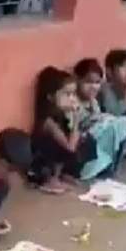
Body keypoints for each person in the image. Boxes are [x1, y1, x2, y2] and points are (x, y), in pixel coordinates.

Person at [72, 58, 126, 180]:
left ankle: (110, 163)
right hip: (82, 144)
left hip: (97, 138)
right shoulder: (73, 102)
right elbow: (78, 127)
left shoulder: (93, 101)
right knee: (112, 127)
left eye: (97, 83)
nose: (93, 87)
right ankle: (98, 167)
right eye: (88, 82)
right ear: (77, 80)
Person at [28, 66, 89, 195]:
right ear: (50, 97)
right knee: (65, 146)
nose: (72, 99)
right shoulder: (48, 121)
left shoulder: (61, 116)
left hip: (60, 154)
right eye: (67, 94)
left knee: (87, 141)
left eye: (73, 94)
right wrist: (76, 120)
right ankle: (50, 180)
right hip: (40, 165)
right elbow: (70, 147)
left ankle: (62, 174)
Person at [99, 49, 126, 122]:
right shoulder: (104, 88)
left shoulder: (121, 88)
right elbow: (115, 114)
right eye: (123, 66)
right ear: (109, 70)